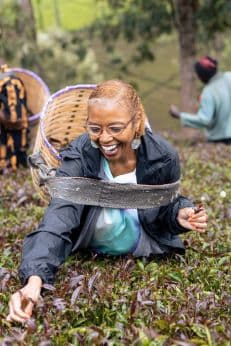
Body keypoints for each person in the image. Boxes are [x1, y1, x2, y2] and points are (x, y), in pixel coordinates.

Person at [7, 80, 208, 323]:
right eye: (95, 128)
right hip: (90, 245)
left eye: (115, 128)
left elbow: (164, 208)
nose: (104, 139)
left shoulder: (163, 157)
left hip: (144, 247)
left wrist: (178, 214)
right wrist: (34, 281)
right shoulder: (80, 154)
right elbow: (59, 217)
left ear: (137, 123)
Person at [169, 56, 231, 144]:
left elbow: (205, 120)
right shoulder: (229, 76)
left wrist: (179, 115)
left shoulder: (209, 91)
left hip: (221, 141)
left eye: (198, 75)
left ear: (202, 76)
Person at [0, 64, 29, 171]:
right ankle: (21, 166)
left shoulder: (1, 83)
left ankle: (6, 165)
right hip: (20, 119)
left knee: (4, 140)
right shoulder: (18, 81)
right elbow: (24, 100)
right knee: (20, 143)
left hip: (5, 119)